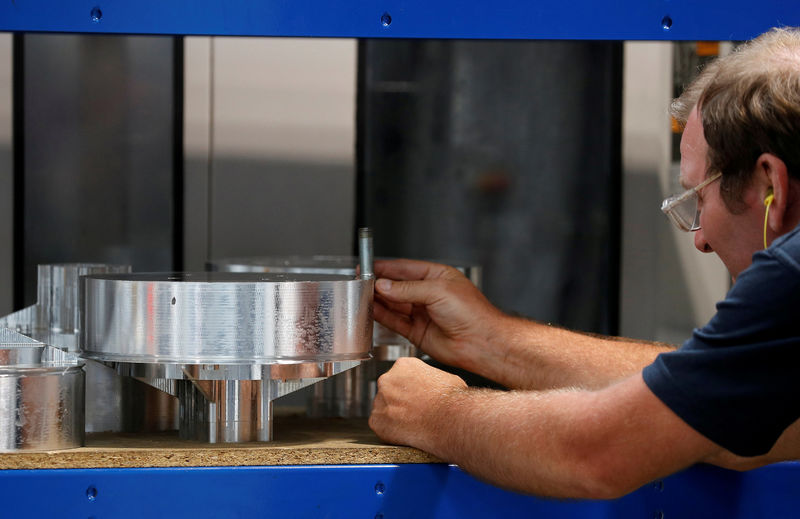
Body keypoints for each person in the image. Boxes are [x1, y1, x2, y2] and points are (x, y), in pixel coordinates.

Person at [368, 27, 800, 499]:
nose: (699, 240)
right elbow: (730, 418)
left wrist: (436, 412)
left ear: (768, 183)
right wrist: (491, 340)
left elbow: (597, 453)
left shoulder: (792, 276)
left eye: (698, 200)